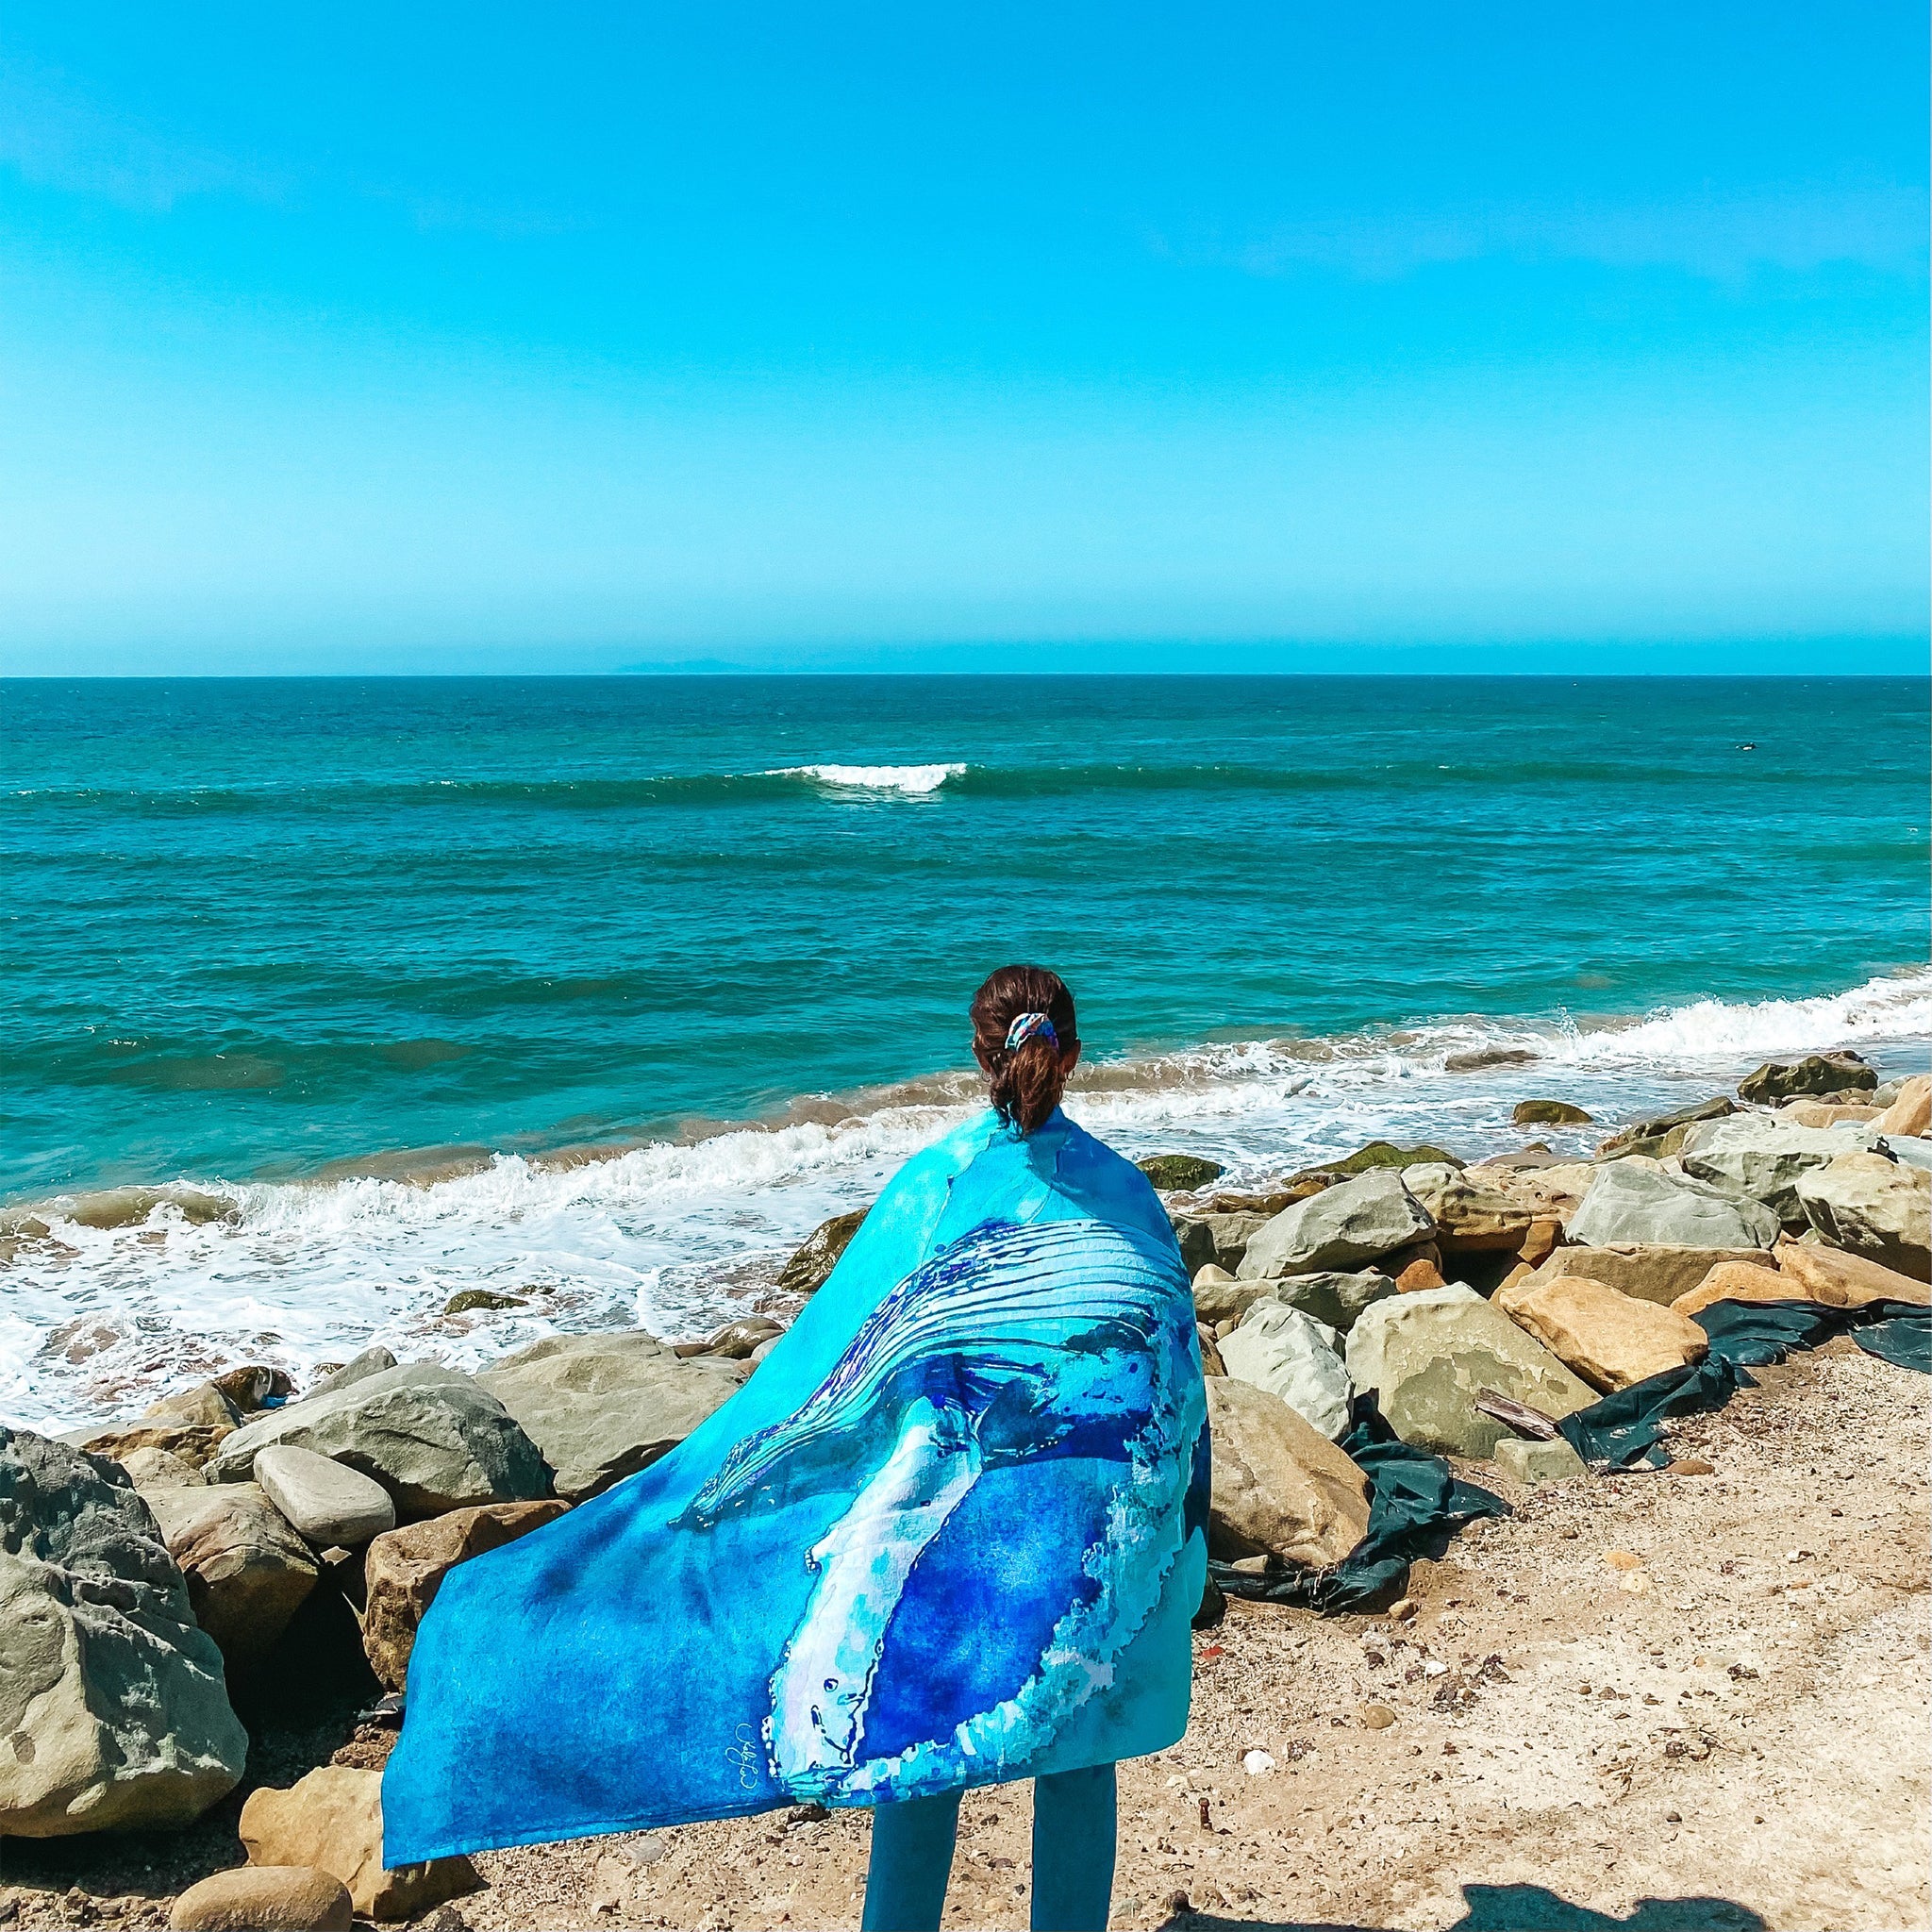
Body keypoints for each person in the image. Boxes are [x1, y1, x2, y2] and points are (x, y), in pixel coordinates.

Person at [381, 964, 1208, 1932]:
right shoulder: (1127, 1195)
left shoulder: (935, 1190)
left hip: (954, 1534)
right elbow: (1175, 1381)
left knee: (915, 1758)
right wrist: (1183, 1539)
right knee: (1081, 1752)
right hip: (1098, 1537)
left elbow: (831, 1370)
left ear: (979, 1056)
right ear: (1070, 1055)